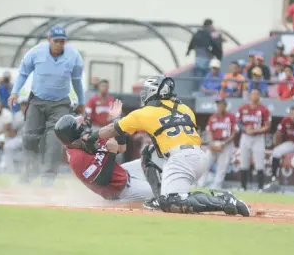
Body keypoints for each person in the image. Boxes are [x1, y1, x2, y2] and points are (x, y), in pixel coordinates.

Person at [84, 75, 250, 216]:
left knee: (173, 202)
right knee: (149, 152)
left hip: (181, 159)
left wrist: (90, 138)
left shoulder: (145, 112)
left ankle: (222, 200)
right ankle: (159, 197)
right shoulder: (185, 108)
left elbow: (115, 130)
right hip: (197, 156)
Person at [8, 26, 85, 186]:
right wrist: (15, 92)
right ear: (49, 40)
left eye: (62, 41)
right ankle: (29, 172)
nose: (59, 44)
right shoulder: (35, 52)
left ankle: (48, 176)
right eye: (56, 41)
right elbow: (23, 73)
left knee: (55, 139)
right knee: (30, 138)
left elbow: (77, 80)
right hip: (36, 101)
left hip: (61, 103)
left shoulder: (74, 56)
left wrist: (82, 102)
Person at [54, 114, 165, 202]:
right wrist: (111, 153)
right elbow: (102, 181)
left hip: (122, 173)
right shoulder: (77, 159)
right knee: (163, 194)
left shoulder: (84, 141)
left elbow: (121, 147)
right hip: (120, 190)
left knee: (150, 157)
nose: (82, 125)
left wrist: (116, 119)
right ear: (75, 133)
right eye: (78, 125)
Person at [264, 106, 294, 193]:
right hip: (292, 142)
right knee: (276, 152)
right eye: (291, 114)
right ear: (289, 114)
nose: (293, 116)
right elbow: (279, 134)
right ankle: (273, 179)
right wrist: (277, 147)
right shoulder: (285, 120)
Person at [236, 89, 271, 192]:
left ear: (259, 96)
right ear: (250, 95)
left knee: (259, 163)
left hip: (258, 137)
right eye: (253, 94)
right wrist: (245, 129)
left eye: (257, 94)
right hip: (245, 137)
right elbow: (238, 123)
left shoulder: (264, 109)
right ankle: (243, 187)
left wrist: (255, 130)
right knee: (244, 162)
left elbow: (267, 126)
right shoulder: (243, 108)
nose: (255, 96)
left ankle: (260, 187)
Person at [203, 97, 237, 189]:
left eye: (221, 104)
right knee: (205, 164)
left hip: (226, 144)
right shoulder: (213, 117)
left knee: (222, 167)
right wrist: (211, 144)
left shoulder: (231, 117)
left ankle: (216, 187)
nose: (219, 106)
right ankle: (200, 184)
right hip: (214, 143)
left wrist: (224, 144)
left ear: (225, 106)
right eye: (218, 104)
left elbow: (234, 133)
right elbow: (209, 131)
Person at [186, 19, 223, 84]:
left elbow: (192, 43)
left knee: (198, 76)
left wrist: (188, 51)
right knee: (208, 76)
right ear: (210, 25)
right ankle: (206, 89)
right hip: (207, 58)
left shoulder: (198, 32)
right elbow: (217, 43)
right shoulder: (212, 32)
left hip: (198, 58)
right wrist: (219, 56)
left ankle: (198, 91)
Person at [0, 100, 27, 171]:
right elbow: (14, 129)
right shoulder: (17, 114)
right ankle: (9, 169)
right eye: (22, 105)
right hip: (19, 138)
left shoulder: (35, 114)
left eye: (26, 105)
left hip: (31, 138)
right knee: (8, 146)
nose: (24, 107)